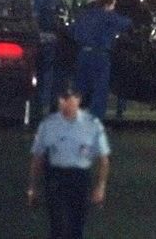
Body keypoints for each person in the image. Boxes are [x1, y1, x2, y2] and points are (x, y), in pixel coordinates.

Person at [28, 82, 111, 239]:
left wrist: (100, 187)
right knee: (57, 224)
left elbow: (104, 159)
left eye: (70, 98)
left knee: (76, 225)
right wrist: (33, 187)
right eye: (62, 98)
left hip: (80, 178)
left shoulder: (92, 125)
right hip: (56, 177)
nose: (65, 102)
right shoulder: (48, 124)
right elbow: (37, 158)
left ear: (78, 99)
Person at [73, 0, 132, 120]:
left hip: (82, 55)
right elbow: (126, 23)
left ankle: (74, 118)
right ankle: (95, 121)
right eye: (113, 5)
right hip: (99, 56)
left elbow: (75, 33)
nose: (114, 8)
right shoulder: (108, 16)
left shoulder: (84, 15)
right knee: (99, 90)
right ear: (108, 4)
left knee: (79, 89)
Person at [33, 0, 75, 117]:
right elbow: (35, 15)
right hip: (48, 39)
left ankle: (56, 106)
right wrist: (40, 34)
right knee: (46, 74)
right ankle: (42, 107)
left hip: (65, 42)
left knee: (63, 76)